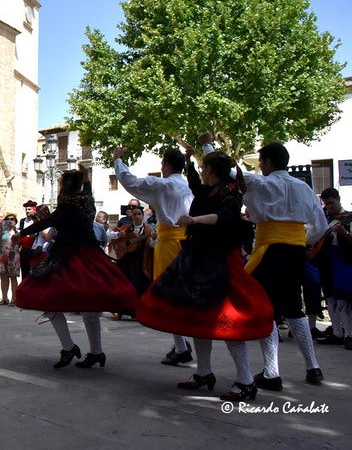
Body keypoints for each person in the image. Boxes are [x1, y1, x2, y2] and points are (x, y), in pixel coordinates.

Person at [137, 148, 274, 401]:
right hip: (198, 257)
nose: (200, 172)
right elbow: (195, 184)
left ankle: (245, 381)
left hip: (219, 261)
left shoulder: (230, 190)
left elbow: (224, 217)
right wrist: (189, 161)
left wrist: (194, 220)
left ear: (210, 169)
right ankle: (203, 373)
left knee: (228, 319)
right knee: (197, 318)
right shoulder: (208, 189)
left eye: (202, 168)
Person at [200, 133, 327, 387]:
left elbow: (225, 170)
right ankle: (313, 367)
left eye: (261, 161)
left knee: (264, 308)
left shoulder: (260, 183)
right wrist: (302, 240)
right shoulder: (304, 188)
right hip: (295, 250)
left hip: (269, 249)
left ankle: (271, 372)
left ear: (267, 162)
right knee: (294, 306)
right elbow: (320, 226)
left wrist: (207, 145)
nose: (260, 165)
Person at [14, 169, 137, 369]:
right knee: (90, 305)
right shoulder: (87, 202)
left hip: (67, 256)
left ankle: (69, 347)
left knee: (48, 300)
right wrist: (85, 179)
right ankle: (96, 352)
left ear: (64, 186)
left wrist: (22, 233)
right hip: (91, 255)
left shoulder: (67, 204)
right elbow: (86, 192)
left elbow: (48, 221)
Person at [113, 145, 194, 365]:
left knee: (168, 293)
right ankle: (182, 343)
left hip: (170, 243)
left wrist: (118, 160)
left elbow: (130, 182)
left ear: (165, 165)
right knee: (183, 292)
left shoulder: (163, 185)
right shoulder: (189, 186)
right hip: (189, 242)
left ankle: (182, 346)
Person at [314, 187, 352, 349]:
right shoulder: (324, 219)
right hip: (326, 261)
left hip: (343, 261)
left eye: (331, 203)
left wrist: (344, 234)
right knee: (329, 297)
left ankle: (349, 334)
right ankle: (337, 332)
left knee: (344, 298)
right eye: (326, 204)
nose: (329, 207)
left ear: (338, 199)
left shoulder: (348, 218)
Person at [107, 205, 153, 318]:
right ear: (131, 216)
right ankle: (120, 310)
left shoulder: (148, 230)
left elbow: (151, 244)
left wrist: (151, 238)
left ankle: (135, 311)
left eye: (139, 214)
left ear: (143, 216)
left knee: (138, 284)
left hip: (140, 262)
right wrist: (119, 236)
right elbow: (113, 239)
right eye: (134, 214)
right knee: (123, 283)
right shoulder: (126, 227)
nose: (136, 216)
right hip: (125, 260)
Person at [0, 213, 21, 305]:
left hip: (13, 256)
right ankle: (4, 298)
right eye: (8, 219)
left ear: (15, 221)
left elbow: (20, 241)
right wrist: (1, 229)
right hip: (3, 255)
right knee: (3, 277)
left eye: (12, 219)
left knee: (13, 277)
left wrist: (15, 230)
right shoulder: (4, 231)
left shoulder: (18, 231)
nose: (10, 221)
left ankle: (14, 298)